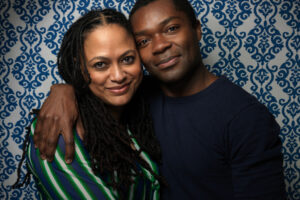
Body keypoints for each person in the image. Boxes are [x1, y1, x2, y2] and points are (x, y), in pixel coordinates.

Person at [33, 0, 286, 199]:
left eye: (171, 28)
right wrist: (64, 89)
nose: (160, 45)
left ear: (197, 29)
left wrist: (66, 89)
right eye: (144, 40)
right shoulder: (135, 98)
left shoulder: (246, 117)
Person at [14, 8, 165, 200]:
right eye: (100, 64)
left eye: (127, 59)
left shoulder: (136, 115)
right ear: (80, 67)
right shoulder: (58, 133)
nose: (118, 76)